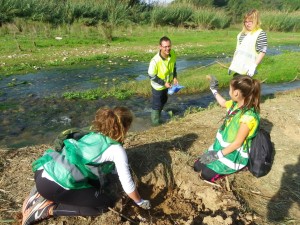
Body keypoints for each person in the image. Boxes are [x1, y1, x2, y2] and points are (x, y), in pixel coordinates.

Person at [21, 107, 151, 225]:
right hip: (54, 187)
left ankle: (40, 194)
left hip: (43, 170)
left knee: (89, 185)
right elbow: (127, 185)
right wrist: (139, 201)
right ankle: (49, 209)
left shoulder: (91, 134)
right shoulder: (116, 150)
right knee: (104, 205)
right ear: (125, 127)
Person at [194, 75, 261, 182]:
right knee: (197, 166)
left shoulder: (248, 117)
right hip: (220, 148)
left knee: (205, 175)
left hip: (234, 153)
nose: (229, 92)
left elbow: (237, 143)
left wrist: (217, 156)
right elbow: (223, 103)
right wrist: (213, 90)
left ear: (236, 93)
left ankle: (241, 166)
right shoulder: (236, 104)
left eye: (230, 89)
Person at [148, 36, 178, 126]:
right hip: (157, 86)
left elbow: (174, 66)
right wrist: (163, 83)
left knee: (164, 100)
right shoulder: (155, 61)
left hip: (167, 85)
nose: (167, 49)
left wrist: (175, 77)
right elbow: (151, 76)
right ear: (160, 47)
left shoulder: (172, 53)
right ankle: (155, 124)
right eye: (165, 47)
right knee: (157, 104)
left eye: (169, 46)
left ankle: (158, 116)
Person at [229, 9, 268, 77]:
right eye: (246, 21)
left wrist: (253, 67)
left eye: (250, 21)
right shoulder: (241, 34)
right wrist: (232, 65)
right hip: (239, 69)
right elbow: (238, 51)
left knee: (247, 87)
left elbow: (262, 52)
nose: (248, 24)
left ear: (256, 21)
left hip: (250, 71)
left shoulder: (260, 33)